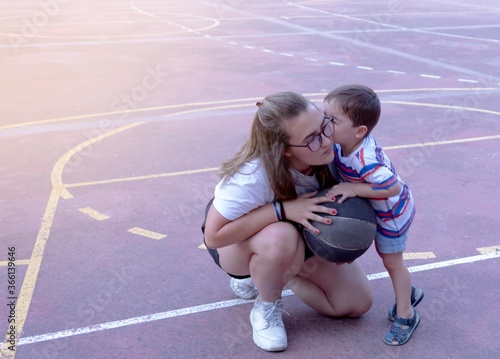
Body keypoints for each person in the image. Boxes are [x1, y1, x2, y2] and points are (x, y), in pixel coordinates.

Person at [202, 91, 373, 352]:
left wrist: (351, 241)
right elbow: (214, 236)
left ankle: (282, 274)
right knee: (280, 236)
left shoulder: (338, 152)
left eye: (324, 126)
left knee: (354, 304)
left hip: (302, 238)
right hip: (238, 242)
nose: (326, 140)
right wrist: (282, 210)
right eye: (312, 139)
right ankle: (266, 305)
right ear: (284, 151)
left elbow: (382, 193)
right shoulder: (251, 176)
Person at [323, 84, 424, 346]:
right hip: (376, 209)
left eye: (332, 120)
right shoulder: (339, 144)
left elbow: (393, 187)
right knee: (388, 261)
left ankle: (406, 314)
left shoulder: (366, 158)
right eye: (325, 116)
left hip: (392, 213)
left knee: (392, 263)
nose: (325, 123)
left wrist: (354, 188)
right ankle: (407, 294)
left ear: (359, 131)